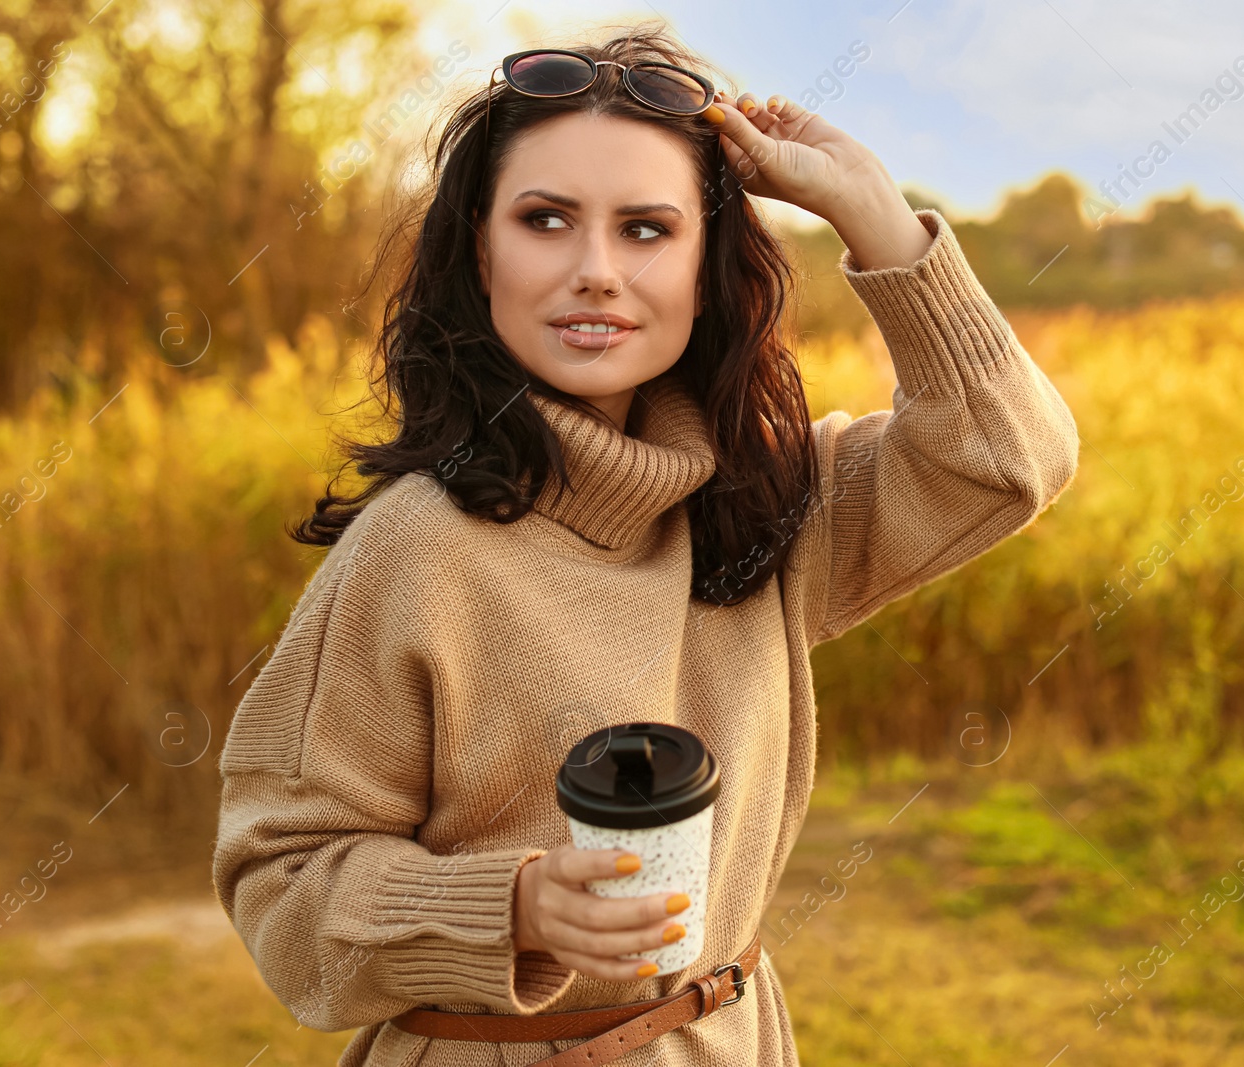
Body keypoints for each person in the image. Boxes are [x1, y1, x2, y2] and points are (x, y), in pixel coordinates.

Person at [211, 21, 1079, 1067]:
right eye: (545, 220)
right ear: (481, 251)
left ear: (708, 264)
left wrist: (869, 210)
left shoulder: (765, 504)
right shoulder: (415, 548)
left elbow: (1007, 456)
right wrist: (515, 907)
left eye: (646, 230)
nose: (595, 271)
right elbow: (281, 884)